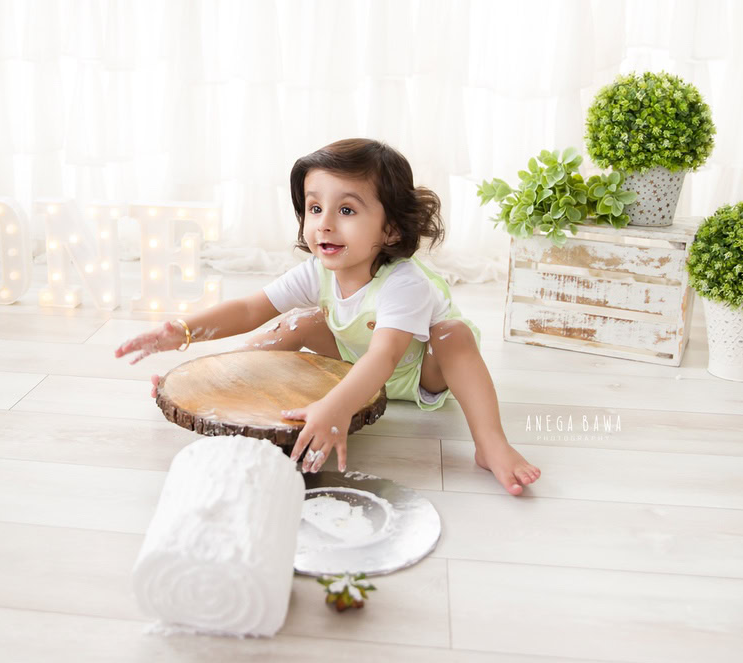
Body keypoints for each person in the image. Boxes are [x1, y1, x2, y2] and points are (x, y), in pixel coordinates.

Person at [115, 138, 540, 495]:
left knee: (453, 335)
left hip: (419, 370)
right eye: (315, 208)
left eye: (347, 211)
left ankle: (491, 443)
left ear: (391, 230)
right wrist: (185, 331)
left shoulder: (404, 282)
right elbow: (250, 309)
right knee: (300, 321)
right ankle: (224, 388)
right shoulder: (318, 271)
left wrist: (334, 407)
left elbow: (385, 358)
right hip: (356, 360)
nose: (325, 224)